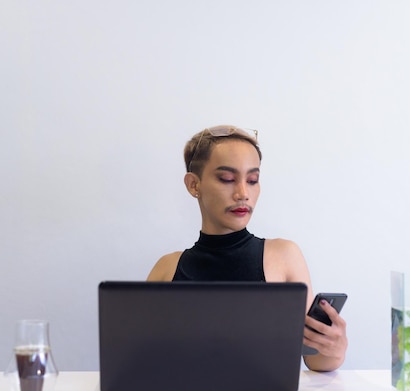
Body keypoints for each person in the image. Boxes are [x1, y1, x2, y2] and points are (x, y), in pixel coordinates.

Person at [146, 124, 347, 372]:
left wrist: (334, 349)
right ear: (193, 185)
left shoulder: (284, 256)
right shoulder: (165, 269)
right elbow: (145, 359)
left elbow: (315, 359)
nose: (243, 193)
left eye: (253, 180)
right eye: (227, 179)